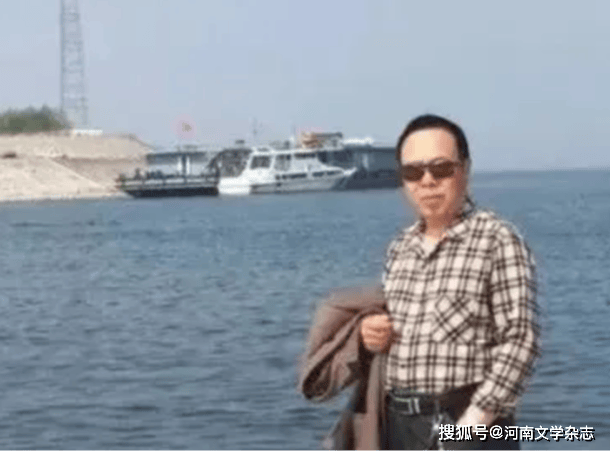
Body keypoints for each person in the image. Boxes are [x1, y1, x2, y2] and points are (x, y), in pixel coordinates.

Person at [360, 114, 540, 450]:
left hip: (468, 423)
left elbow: (520, 340)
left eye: (441, 168)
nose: (427, 181)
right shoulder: (400, 248)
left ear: (465, 170)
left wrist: (475, 421)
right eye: (413, 172)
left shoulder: (497, 239)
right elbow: (402, 337)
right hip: (399, 427)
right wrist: (374, 335)